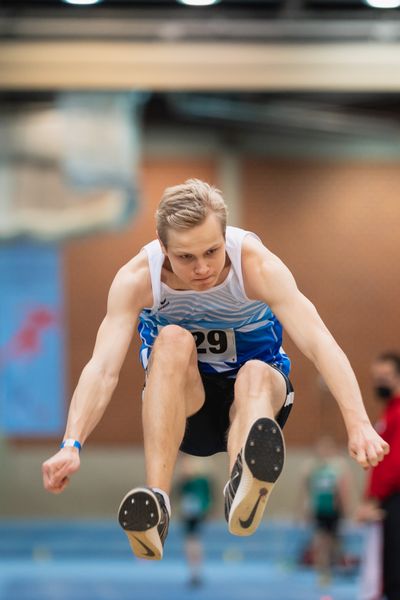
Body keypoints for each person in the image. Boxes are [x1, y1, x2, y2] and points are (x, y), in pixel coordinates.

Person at [42, 178, 389, 562]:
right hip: (184, 407)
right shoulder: (137, 280)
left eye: (212, 251)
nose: (203, 268)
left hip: (256, 398)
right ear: (163, 248)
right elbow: (102, 368)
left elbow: (320, 343)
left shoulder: (256, 265)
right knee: (172, 339)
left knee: (253, 373)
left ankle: (242, 479)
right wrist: (71, 443)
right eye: (186, 257)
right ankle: (157, 501)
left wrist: (357, 423)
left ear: (226, 236)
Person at [356, 352, 400, 600]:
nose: (379, 383)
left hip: (393, 501)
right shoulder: (388, 412)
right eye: (376, 378)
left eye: (385, 377)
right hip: (387, 501)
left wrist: (374, 498)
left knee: (393, 574)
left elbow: (395, 464)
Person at [302, 435, 351, 586]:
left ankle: (333, 568)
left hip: (334, 512)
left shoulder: (339, 467)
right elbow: (308, 490)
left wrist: (347, 509)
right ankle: (323, 573)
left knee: (334, 542)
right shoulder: (312, 467)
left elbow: (343, 490)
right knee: (321, 542)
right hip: (320, 511)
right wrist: (306, 510)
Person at [174, 455, 213, 587]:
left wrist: (206, 511)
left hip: (197, 514)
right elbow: (177, 494)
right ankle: (193, 572)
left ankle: (196, 572)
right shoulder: (185, 482)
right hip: (187, 514)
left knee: (194, 542)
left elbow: (208, 495)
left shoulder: (201, 481)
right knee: (190, 543)